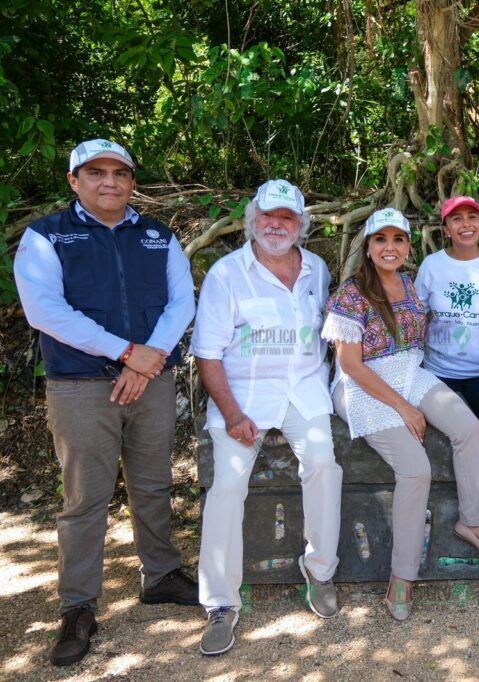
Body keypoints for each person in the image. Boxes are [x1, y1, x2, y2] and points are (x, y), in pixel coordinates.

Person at [13, 139, 197, 667]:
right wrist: (127, 354)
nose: (109, 181)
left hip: (151, 381)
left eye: (120, 172)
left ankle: (160, 575)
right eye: (95, 172)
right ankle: (77, 607)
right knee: (86, 498)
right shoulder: (47, 235)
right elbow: (44, 309)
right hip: (81, 386)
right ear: (74, 180)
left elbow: (181, 299)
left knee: (154, 482)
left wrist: (152, 357)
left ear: (132, 181)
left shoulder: (158, 236)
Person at [324, 207, 479, 622]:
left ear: (408, 246)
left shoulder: (410, 283)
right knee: (416, 469)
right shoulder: (351, 294)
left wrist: (415, 395)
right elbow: (350, 365)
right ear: (368, 247)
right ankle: (401, 576)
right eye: (381, 240)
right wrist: (403, 407)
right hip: (363, 384)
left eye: (398, 240)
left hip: (409, 372)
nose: (390, 247)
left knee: (467, 427)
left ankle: (474, 522)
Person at [190, 180, 341, 655]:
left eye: (288, 218)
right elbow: (207, 354)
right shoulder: (226, 273)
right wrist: (232, 414)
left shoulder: (316, 267)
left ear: (301, 225)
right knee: (228, 486)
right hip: (244, 395)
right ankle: (220, 603)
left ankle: (319, 572)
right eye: (269, 217)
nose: (277, 225)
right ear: (253, 219)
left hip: (304, 389)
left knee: (323, 464)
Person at [414, 196, 479, 436]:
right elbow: (417, 316)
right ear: (446, 229)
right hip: (438, 373)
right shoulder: (431, 265)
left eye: (472, 217)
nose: (466, 225)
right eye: (456, 219)